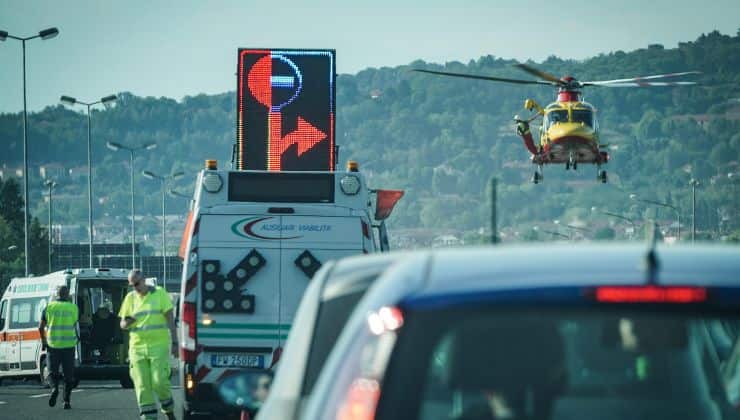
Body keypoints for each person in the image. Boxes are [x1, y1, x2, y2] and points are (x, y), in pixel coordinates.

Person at [119, 269, 178, 420]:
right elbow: (122, 324)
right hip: (137, 348)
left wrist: (175, 342)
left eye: (137, 283)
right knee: (142, 385)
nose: (135, 287)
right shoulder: (130, 298)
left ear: (144, 280)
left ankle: (168, 410)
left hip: (158, 345)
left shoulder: (159, 293)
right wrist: (129, 320)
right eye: (132, 285)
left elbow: (170, 319)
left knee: (159, 382)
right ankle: (149, 417)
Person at [38, 285, 79, 410]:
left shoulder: (49, 307)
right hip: (69, 346)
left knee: (51, 372)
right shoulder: (73, 307)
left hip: (53, 345)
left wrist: (44, 341)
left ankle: (54, 388)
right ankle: (66, 401)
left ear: (57, 295)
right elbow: (74, 323)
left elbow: (40, 327)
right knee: (68, 375)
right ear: (67, 295)